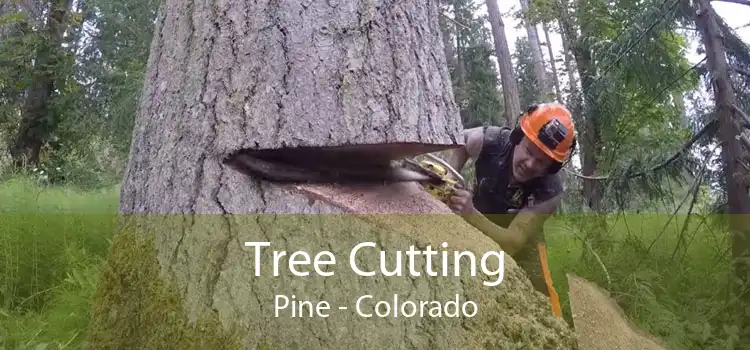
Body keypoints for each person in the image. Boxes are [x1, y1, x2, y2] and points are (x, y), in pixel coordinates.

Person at [444, 102, 577, 318]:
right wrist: (450, 177)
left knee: (544, 303)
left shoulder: (549, 191)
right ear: (517, 137)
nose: (531, 164)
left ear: (552, 167)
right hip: (479, 221)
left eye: (541, 162)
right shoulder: (492, 140)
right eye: (529, 151)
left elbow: (513, 243)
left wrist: (469, 214)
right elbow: (462, 141)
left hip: (523, 245)